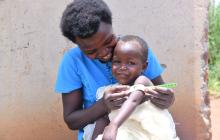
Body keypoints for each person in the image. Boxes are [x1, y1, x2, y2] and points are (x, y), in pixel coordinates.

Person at [55, 0, 175, 139]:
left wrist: (167, 99)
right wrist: (104, 106)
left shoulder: (135, 49)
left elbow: (161, 90)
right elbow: (72, 121)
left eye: (108, 41)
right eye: (91, 51)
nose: (104, 53)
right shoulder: (73, 61)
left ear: (112, 27)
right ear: (79, 46)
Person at [83, 35, 179, 140]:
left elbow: (134, 100)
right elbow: (102, 119)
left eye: (131, 63)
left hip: (153, 135)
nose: (123, 67)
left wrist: (113, 125)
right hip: (128, 134)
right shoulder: (109, 92)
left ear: (144, 66)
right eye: (117, 62)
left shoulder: (143, 82)